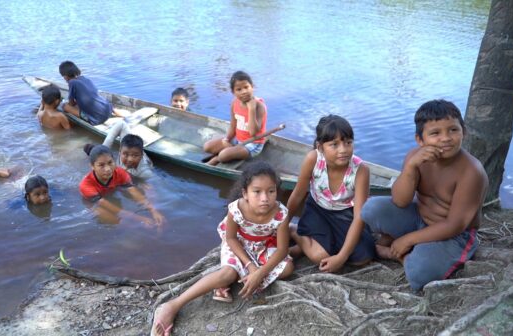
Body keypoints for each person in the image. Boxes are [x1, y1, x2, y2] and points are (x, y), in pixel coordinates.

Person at [150, 162, 293, 336]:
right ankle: (172, 305)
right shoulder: (237, 209)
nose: (265, 198)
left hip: (263, 246)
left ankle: (226, 283)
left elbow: (282, 250)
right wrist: (250, 266)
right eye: (257, 191)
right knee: (227, 274)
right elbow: (231, 238)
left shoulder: (281, 214)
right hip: (238, 245)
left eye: (271, 191)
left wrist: (260, 273)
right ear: (245, 193)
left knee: (287, 268)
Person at [361, 99, 488, 291]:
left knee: (421, 275)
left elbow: (455, 225)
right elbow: (400, 201)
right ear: (420, 139)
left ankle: (400, 254)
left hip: (454, 235)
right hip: (419, 218)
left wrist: (408, 239)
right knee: (371, 208)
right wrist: (411, 167)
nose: (446, 138)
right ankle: (409, 247)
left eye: (453, 130)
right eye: (435, 133)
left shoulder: (471, 171)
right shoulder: (415, 157)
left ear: (464, 131)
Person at [286, 115, 375, 273]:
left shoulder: (361, 170)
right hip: (318, 209)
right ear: (320, 147)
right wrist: (282, 225)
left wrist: (341, 257)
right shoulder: (313, 159)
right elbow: (298, 195)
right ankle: (294, 230)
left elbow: (358, 216)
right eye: (334, 144)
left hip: (345, 213)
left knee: (362, 258)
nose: (343, 150)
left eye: (348, 143)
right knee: (320, 255)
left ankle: (303, 247)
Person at [80, 145, 164, 225]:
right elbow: (102, 203)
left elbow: (132, 190)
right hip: (94, 201)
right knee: (100, 212)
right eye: (101, 165)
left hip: (111, 190)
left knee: (148, 188)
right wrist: (139, 219)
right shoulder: (86, 184)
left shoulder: (120, 172)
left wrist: (153, 210)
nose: (108, 169)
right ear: (92, 166)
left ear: (114, 161)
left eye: (110, 162)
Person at [203, 71, 267, 166]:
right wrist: (227, 139)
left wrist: (251, 110)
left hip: (253, 144)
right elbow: (233, 125)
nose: (244, 91)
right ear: (233, 92)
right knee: (207, 147)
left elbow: (253, 133)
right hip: (238, 140)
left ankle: (217, 158)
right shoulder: (234, 103)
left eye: (246, 87)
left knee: (223, 156)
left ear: (252, 87)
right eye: (239, 89)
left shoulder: (259, 106)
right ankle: (231, 149)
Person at [59, 61, 118, 126]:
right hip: (108, 109)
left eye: (63, 76)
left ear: (65, 76)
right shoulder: (85, 79)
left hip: (97, 119)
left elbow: (71, 103)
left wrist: (69, 104)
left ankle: (90, 117)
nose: (64, 78)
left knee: (65, 106)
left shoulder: (72, 83)